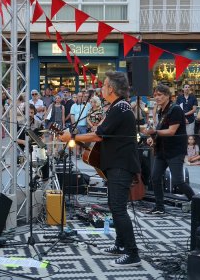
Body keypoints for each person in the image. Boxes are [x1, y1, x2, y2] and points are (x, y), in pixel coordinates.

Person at [60, 71, 141, 268]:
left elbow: (98, 135)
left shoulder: (120, 108)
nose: (101, 88)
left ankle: (132, 253)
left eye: (104, 85)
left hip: (121, 166)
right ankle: (120, 245)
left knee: (119, 209)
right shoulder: (116, 107)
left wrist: (72, 138)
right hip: (115, 164)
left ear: (111, 89)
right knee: (114, 207)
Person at [143, 84, 195, 214]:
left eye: (160, 95)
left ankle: (196, 201)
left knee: (178, 181)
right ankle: (160, 207)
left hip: (175, 150)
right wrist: (153, 138)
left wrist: (154, 132)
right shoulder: (161, 110)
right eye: (155, 95)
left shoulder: (175, 109)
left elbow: (171, 131)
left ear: (168, 96)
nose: (157, 97)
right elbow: (161, 129)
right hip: (162, 149)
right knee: (155, 177)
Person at [69, 91, 91, 158]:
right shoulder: (73, 105)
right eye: (79, 96)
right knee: (78, 139)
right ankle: (78, 153)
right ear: (77, 97)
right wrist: (73, 125)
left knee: (85, 140)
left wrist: (89, 124)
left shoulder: (88, 105)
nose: (81, 98)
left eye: (82, 96)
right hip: (77, 125)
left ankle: (83, 153)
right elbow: (72, 116)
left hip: (85, 125)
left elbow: (89, 115)